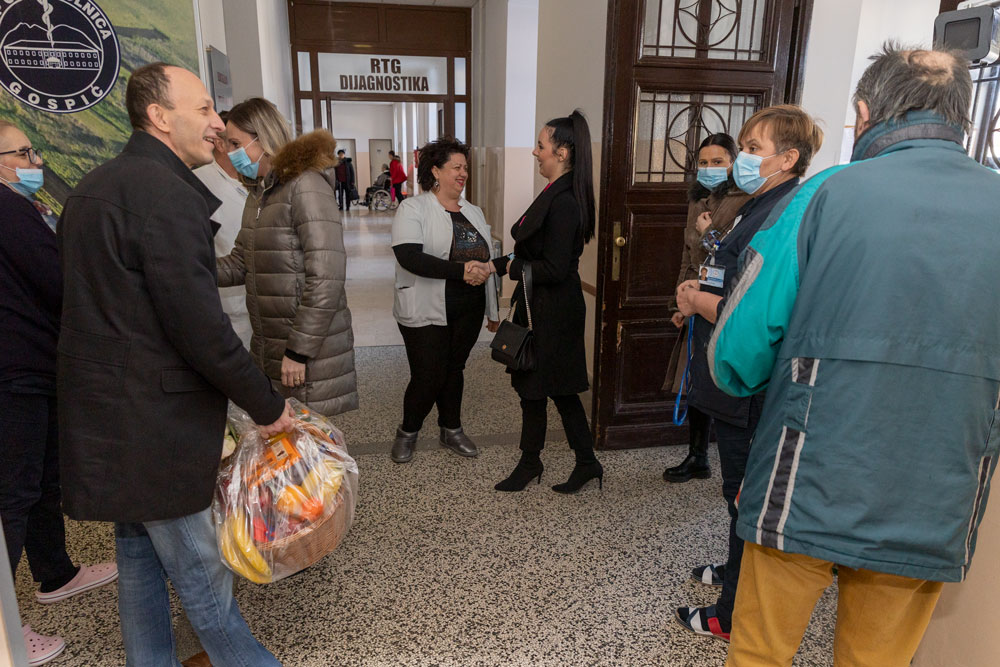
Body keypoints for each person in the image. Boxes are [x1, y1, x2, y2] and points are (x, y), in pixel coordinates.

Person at [710, 45, 1000, 666]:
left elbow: (740, 351)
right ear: (961, 113)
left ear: (866, 113)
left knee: (760, 654)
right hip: (937, 490)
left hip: (807, 476)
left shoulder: (823, 195)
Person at [57, 63, 294, 666]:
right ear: (159, 117)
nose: (217, 124)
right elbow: (200, 330)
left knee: (139, 562)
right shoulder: (166, 198)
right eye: (204, 110)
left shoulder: (93, 186)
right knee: (202, 577)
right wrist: (267, 405)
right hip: (155, 424)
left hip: (110, 415)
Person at [673, 105, 823, 641]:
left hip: (749, 385)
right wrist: (701, 289)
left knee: (745, 495)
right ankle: (735, 571)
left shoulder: (783, 215)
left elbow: (758, 311)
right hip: (728, 374)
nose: (744, 158)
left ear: (788, 158)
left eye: (755, 149)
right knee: (736, 492)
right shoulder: (757, 205)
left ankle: (731, 614)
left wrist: (698, 301)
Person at [0, 121, 118, 666]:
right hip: (15, 370)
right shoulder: (9, 210)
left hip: (34, 365)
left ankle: (56, 573)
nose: (35, 161)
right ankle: (4, 627)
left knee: (43, 477)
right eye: (23, 153)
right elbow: (56, 279)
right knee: (14, 493)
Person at [218, 97, 359, 417]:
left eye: (236, 143)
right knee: (286, 441)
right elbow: (243, 260)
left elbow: (326, 276)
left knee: (312, 442)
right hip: (271, 345)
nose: (230, 152)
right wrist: (190, 267)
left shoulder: (305, 186)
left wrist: (298, 351)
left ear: (262, 138)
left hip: (306, 351)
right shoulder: (260, 192)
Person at [489, 110, 603, 494]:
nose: (535, 152)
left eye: (541, 146)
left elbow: (553, 268)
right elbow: (534, 251)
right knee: (540, 386)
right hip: (542, 305)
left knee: (550, 387)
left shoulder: (566, 201)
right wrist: (498, 265)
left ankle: (563, 463)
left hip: (554, 310)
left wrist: (512, 267)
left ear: (563, 152)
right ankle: (559, 462)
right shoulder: (555, 191)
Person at [389, 136, 500, 463]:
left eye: (465, 167)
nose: (463, 173)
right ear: (435, 171)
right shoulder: (413, 208)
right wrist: (461, 271)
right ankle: (407, 431)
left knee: (454, 369)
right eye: (456, 167)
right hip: (425, 306)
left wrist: (492, 309)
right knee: (429, 375)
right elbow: (409, 257)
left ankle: (451, 429)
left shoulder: (473, 211)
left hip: (469, 307)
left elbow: (486, 260)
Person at [662, 133, 749, 487]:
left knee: (722, 383)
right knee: (695, 380)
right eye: (703, 162)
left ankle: (737, 474)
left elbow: (733, 254)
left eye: (718, 162)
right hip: (696, 302)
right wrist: (680, 303)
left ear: (734, 163)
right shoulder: (697, 200)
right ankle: (697, 456)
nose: (710, 168)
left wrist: (709, 232)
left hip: (725, 302)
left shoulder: (746, 200)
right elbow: (689, 256)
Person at [194, 109, 252, 348]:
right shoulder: (199, 183)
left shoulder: (252, 179)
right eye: (236, 143)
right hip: (227, 305)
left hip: (257, 300)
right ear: (220, 144)